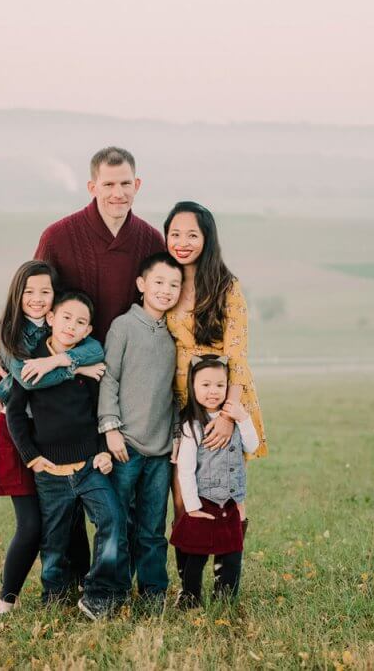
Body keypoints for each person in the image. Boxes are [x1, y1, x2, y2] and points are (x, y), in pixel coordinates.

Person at [0, 261, 107, 615]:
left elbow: (95, 350)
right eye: (29, 292)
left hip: (53, 436)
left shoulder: (58, 327)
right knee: (32, 524)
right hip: (18, 436)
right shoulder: (10, 336)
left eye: (45, 292)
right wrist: (75, 368)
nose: (37, 300)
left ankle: (76, 583)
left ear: (55, 301)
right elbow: (27, 379)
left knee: (68, 516)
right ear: (17, 295)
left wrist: (61, 361)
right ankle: (6, 600)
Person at [5, 291, 128, 621]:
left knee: (112, 519)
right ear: (51, 319)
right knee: (54, 540)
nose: (72, 326)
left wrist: (104, 452)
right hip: (50, 472)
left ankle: (98, 591)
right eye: (66, 318)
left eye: (81, 322)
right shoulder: (29, 363)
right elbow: (14, 414)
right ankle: (54, 594)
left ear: (88, 331)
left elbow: (101, 411)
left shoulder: (89, 365)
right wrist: (31, 457)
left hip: (89, 465)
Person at [163, 201, 268, 576]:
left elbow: (237, 353)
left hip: (224, 399)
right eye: (175, 234)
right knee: (183, 493)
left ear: (207, 239)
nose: (183, 242)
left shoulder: (226, 286)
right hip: (180, 404)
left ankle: (227, 577)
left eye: (192, 234)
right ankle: (187, 586)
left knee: (227, 492)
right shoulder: (166, 282)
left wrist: (228, 415)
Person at [98, 252, 183, 604]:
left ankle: (153, 594)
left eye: (174, 284)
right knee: (117, 524)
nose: (166, 290)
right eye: (159, 282)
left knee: (152, 528)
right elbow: (109, 377)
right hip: (125, 444)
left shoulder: (175, 336)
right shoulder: (123, 326)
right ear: (141, 285)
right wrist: (110, 427)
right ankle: (108, 592)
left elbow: (176, 392)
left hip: (161, 450)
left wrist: (177, 435)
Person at [34, 147, 165, 343]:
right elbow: (31, 298)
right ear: (92, 187)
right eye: (109, 184)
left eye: (125, 183)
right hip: (71, 362)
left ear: (137, 185)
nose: (118, 193)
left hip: (131, 363)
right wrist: (2, 348)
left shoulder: (153, 241)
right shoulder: (56, 237)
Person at [170, 354, 260, 607]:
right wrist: (192, 507)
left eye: (220, 385)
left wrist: (242, 418)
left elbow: (251, 445)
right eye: (206, 385)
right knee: (196, 554)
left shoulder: (233, 420)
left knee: (231, 551)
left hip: (230, 500)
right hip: (203, 500)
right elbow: (185, 469)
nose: (213, 391)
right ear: (193, 387)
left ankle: (225, 598)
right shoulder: (192, 425)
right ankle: (190, 596)